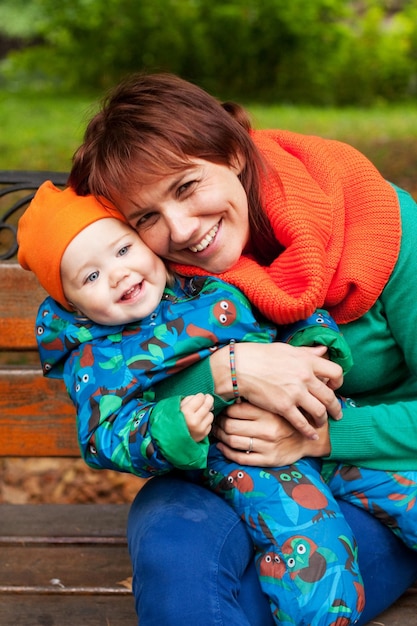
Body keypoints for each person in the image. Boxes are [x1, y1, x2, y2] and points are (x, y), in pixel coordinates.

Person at [65, 72, 417, 625]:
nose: (181, 229)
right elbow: (128, 389)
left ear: (233, 152)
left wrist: (322, 435)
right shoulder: (154, 276)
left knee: (274, 599)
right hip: (225, 474)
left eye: (185, 187)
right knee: (173, 565)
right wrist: (229, 369)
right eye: (147, 218)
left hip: (378, 480)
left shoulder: (381, 226)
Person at [18, 180, 363, 625]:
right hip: (244, 458)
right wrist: (168, 425)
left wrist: (314, 342)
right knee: (316, 550)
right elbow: (105, 433)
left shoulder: (201, 278)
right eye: (91, 276)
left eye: (122, 251)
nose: (118, 274)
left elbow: (277, 302)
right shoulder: (100, 357)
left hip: (323, 427)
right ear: (75, 307)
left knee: (403, 490)